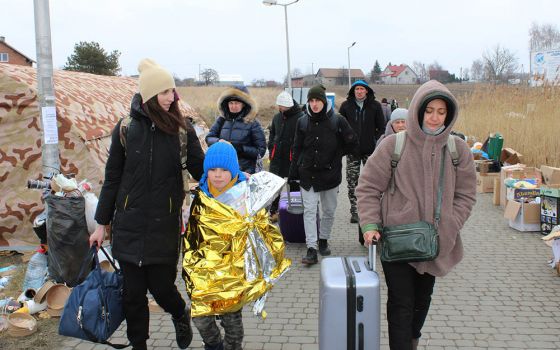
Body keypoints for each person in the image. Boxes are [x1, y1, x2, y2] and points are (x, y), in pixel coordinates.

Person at [90, 59, 205, 350]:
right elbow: (112, 178)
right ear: (149, 96)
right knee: (132, 294)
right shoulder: (126, 129)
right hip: (128, 223)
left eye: (172, 92)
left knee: (162, 289)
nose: (172, 98)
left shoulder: (182, 131)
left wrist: (230, 177)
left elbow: (201, 171)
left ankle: (180, 313)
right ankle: (138, 344)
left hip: (164, 225)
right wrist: (101, 224)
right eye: (165, 92)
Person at [356, 80, 476, 350]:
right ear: (418, 111)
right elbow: (368, 187)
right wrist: (370, 225)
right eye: (429, 110)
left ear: (449, 115)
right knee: (401, 303)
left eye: (441, 112)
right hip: (397, 240)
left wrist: (451, 224)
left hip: (436, 244)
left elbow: (466, 195)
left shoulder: (459, 150)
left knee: (422, 302)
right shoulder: (393, 146)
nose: (434, 117)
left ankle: (411, 342)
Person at [288, 85, 358, 264]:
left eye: (317, 100)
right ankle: (311, 247)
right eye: (311, 101)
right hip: (307, 174)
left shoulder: (338, 120)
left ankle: (323, 240)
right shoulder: (302, 121)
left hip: (330, 175)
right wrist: (293, 172)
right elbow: (296, 147)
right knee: (310, 211)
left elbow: (352, 141)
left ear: (324, 101)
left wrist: (337, 155)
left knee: (329, 211)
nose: (314, 104)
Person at [189, 142, 247, 350]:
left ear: (233, 171)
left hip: (232, 273)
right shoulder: (200, 195)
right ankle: (213, 345)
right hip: (205, 271)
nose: (218, 175)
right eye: (213, 169)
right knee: (201, 318)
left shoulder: (245, 195)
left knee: (233, 325)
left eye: (224, 170)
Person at [338, 80, 386, 224]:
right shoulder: (346, 106)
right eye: (356, 89)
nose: (359, 91)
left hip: (371, 152)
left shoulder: (375, 106)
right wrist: (346, 141)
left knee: (372, 182)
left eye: (362, 89)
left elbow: (382, 127)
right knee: (352, 182)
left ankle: (373, 211)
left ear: (366, 91)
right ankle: (355, 211)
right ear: (353, 91)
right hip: (352, 151)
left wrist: (375, 140)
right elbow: (339, 127)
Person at [205, 85, 266, 174]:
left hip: (245, 171)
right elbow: (209, 138)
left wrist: (240, 149)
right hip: (224, 169)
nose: (233, 106)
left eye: (237, 103)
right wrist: (219, 141)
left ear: (244, 104)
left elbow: (261, 151)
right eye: (231, 103)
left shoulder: (253, 123)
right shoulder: (222, 119)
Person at [267, 91, 304, 222]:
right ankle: (273, 211)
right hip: (276, 157)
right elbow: (272, 133)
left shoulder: (301, 117)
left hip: (292, 158)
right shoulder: (277, 117)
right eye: (280, 106)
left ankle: (296, 212)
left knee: (294, 184)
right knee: (275, 186)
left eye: (282, 106)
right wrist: (271, 146)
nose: (280, 108)